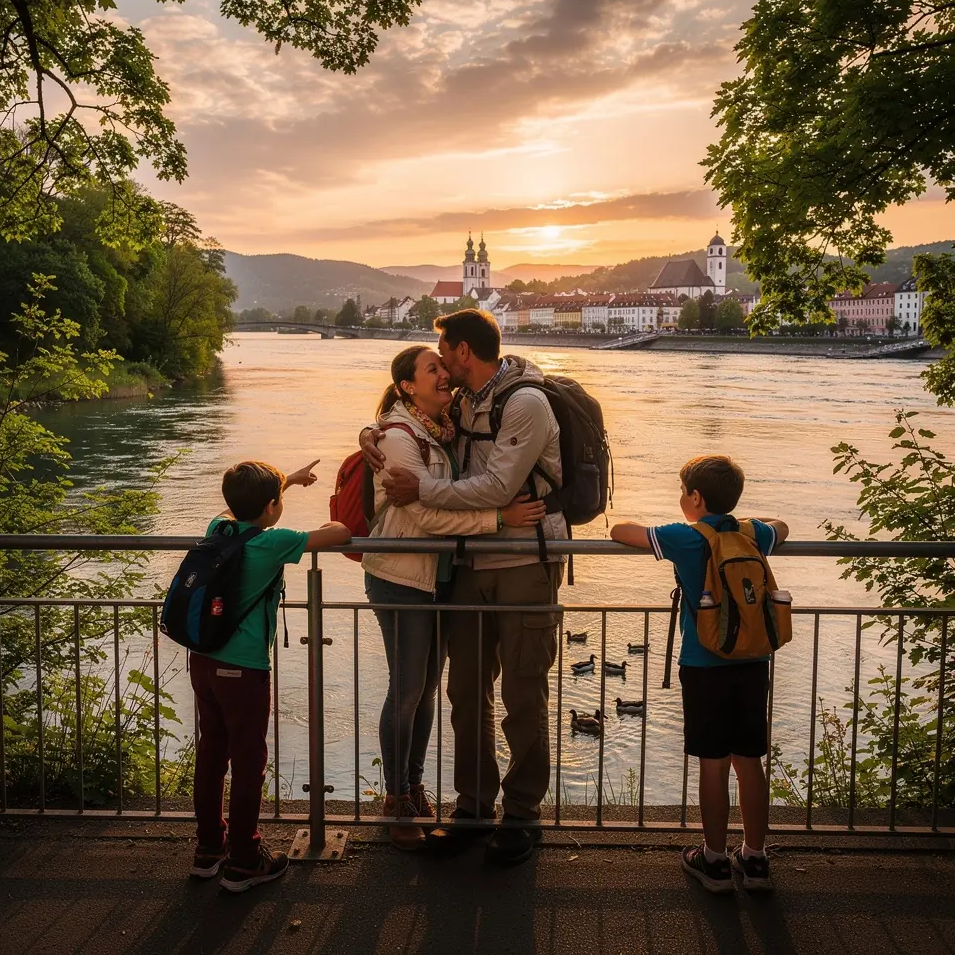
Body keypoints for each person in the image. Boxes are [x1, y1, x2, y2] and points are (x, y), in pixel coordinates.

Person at [361, 309, 566, 866]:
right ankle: (474, 807)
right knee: (464, 692)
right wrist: (371, 434)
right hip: (472, 564)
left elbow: (498, 485)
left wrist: (420, 489)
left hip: (526, 562)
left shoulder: (524, 402)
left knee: (524, 693)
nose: (443, 365)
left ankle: (521, 813)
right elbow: (401, 417)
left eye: (443, 352)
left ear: (464, 352)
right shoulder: (466, 402)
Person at [609, 455, 789, 893]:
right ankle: (756, 857)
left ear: (694, 497)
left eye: (683, 491)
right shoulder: (753, 533)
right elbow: (781, 526)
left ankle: (713, 861)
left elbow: (619, 531)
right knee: (749, 761)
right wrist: (749, 520)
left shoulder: (684, 538)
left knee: (714, 763)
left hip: (704, 663)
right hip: (752, 662)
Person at [190, 459, 351, 892]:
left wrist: (287, 483)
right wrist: (321, 512)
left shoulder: (217, 529)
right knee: (248, 763)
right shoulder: (274, 543)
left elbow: (241, 510)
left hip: (202, 661)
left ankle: (209, 850)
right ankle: (244, 860)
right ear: (272, 506)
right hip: (242, 671)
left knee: (212, 752)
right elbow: (339, 533)